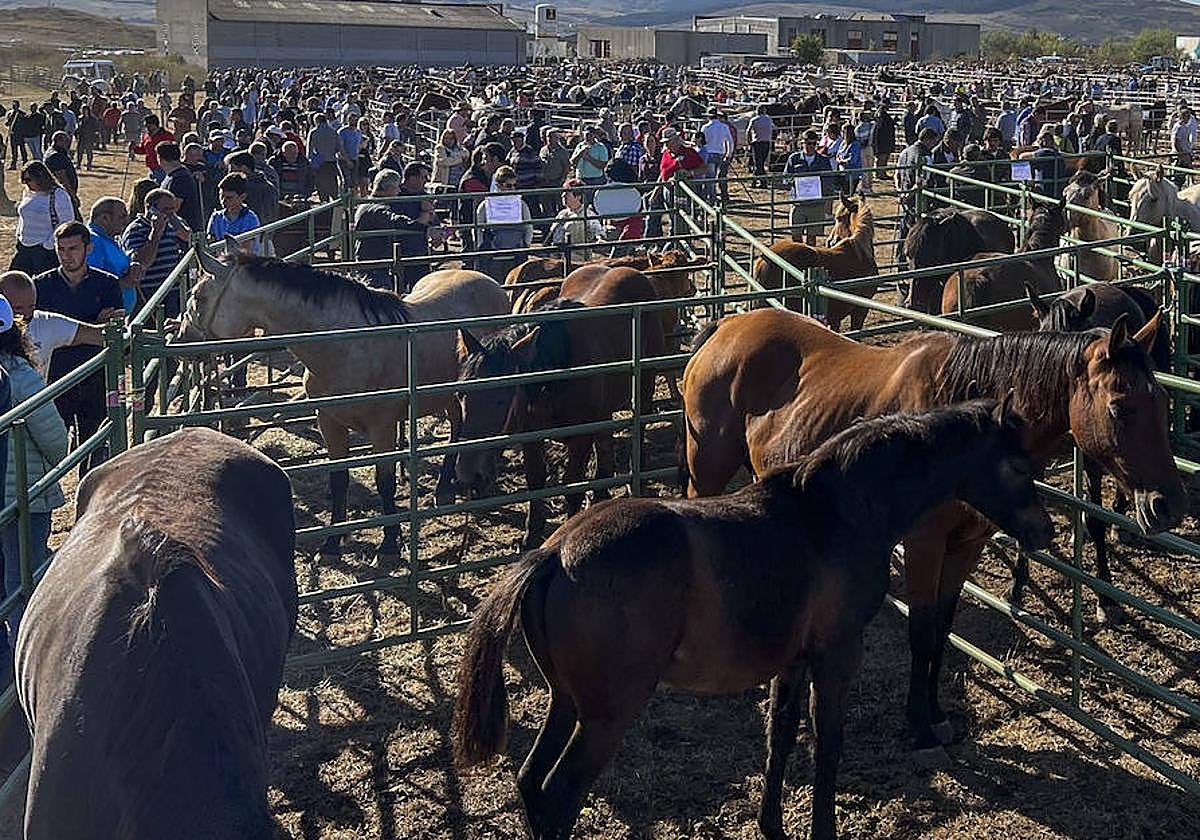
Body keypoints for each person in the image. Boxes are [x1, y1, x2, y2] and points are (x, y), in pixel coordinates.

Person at [0, 294, 68, 658]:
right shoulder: (22, 377)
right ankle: (29, 659)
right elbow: (56, 441)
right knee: (23, 579)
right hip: (24, 495)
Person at [33, 222, 121, 473]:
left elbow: (115, 327)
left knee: (94, 443)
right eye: (61, 249)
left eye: (73, 248)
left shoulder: (107, 284)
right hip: (55, 375)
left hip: (95, 374)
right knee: (49, 442)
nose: (66, 255)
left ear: (88, 248)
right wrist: (94, 324)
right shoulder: (41, 285)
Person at [0, 270, 109, 381]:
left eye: (31, 307)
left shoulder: (46, 323)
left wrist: (120, 329)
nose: (26, 315)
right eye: (17, 309)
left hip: (36, 395)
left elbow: (96, 335)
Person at [353, 169, 433, 289]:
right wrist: (426, 229)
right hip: (374, 265)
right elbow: (396, 221)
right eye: (397, 187)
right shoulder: (377, 209)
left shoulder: (368, 205)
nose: (399, 191)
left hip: (372, 261)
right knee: (381, 296)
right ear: (389, 189)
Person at [121, 188, 191, 317]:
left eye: (173, 210)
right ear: (150, 208)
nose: (170, 214)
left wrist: (182, 230)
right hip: (149, 292)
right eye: (166, 210)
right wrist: (155, 234)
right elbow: (140, 262)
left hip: (174, 290)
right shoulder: (135, 230)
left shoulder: (176, 224)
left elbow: (190, 241)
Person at [12, 162, 76, 276]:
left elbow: (66, 222)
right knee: (12, 284)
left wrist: (48, 244)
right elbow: (23, 216)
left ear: (40, 177)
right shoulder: (28, 193)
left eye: (28, 180)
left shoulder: (58, 194)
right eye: (23, 181)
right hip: (24, 247)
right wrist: (19, 236)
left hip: (44, 251)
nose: (26, 184)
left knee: (42, 288)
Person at [475, 165, 533, 282]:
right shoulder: (485, 206)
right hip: (494, 254)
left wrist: (525, 245)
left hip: (515, 254)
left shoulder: (521, 205)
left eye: (514, 185)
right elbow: (478, 230)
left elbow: (529, 227)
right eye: (508, 185)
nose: (512, 189)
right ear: (498, 185)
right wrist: (482, 246)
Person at [86, 196, 141, 315]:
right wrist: (126, 281)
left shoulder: (109, 238)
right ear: (104, 218)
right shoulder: (94, 241)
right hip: (105, 317)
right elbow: (92, 283)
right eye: (122, 217)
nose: (126, 221)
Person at [894, 128, 939, 273]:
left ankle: (899, 262)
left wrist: (901, 192)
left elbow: (896, 174)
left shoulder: (906, 151)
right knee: (916, 233)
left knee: (903, 232)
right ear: (928, 139)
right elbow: (922, 182)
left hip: (905, 197)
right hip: (917, 201)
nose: (935, 144)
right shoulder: (925, 156)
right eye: (934, 141)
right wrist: (908, 196)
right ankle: (913, 264)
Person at [784, 130, 835, 246]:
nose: (811, 146)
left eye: (813, 143)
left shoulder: (823, 160)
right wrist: (796, 182)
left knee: (812, 237)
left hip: (815, 203)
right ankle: (798, 259)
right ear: (802, 143)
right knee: (796, 235)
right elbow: (785, 178)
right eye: (808, 143)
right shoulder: (794, 158)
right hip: (798, 203)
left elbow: (829, 179)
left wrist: (818, 186)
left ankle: (809, 261)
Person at [548, 179, 606, 262]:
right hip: (557, 257)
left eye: (567, 193)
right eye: (563, 192)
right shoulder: (562, 214)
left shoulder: (587, 214)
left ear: (578, 196)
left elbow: (597, 230)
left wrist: (599, 238)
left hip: (577, 259)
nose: (563, 196)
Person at [207, 173, 262, 255]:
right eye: (221, 196)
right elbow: (211, 242)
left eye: (229, 197)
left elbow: (245, 251)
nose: (223, 201)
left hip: (243, 263)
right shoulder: (216, 217)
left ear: (242, 197)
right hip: (223, 262)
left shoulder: (250, 219)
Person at [158, 140, 204, 233]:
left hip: (183, 233)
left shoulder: (180, 178)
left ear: (160, 159)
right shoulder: (173, 175)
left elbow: (173, 208)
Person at [1020, 127, 1068, 199]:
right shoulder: (1058, 154)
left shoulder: (1042, 153)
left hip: (1043, 192)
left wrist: (1026, 178)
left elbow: (1022, 156)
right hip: (1058, 192)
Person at [701, 106, 735, 203]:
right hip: (720, 154)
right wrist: (728, 154)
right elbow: (730, 141)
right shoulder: (724, 127)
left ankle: (712, 198)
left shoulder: (705, 127)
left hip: (709, 153)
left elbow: (702, 142)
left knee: (710, 178)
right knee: (715, 176)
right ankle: (712, 197)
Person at [130, 114, 174, 182]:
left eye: (148, 126)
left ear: (154, 124)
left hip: (163, 168)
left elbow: (172, 151)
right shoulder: (146, 136)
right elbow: (143, 150)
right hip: (152, 168)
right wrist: (134, 148)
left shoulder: (166, 135)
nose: (146, 128)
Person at [43, 131, 78, 198]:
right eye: (66, 141)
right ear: (59, 141)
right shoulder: (56, 156)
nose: (68, 144)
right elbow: (62, 178)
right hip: (62, 193)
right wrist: (72, 195)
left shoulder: (51, 152)